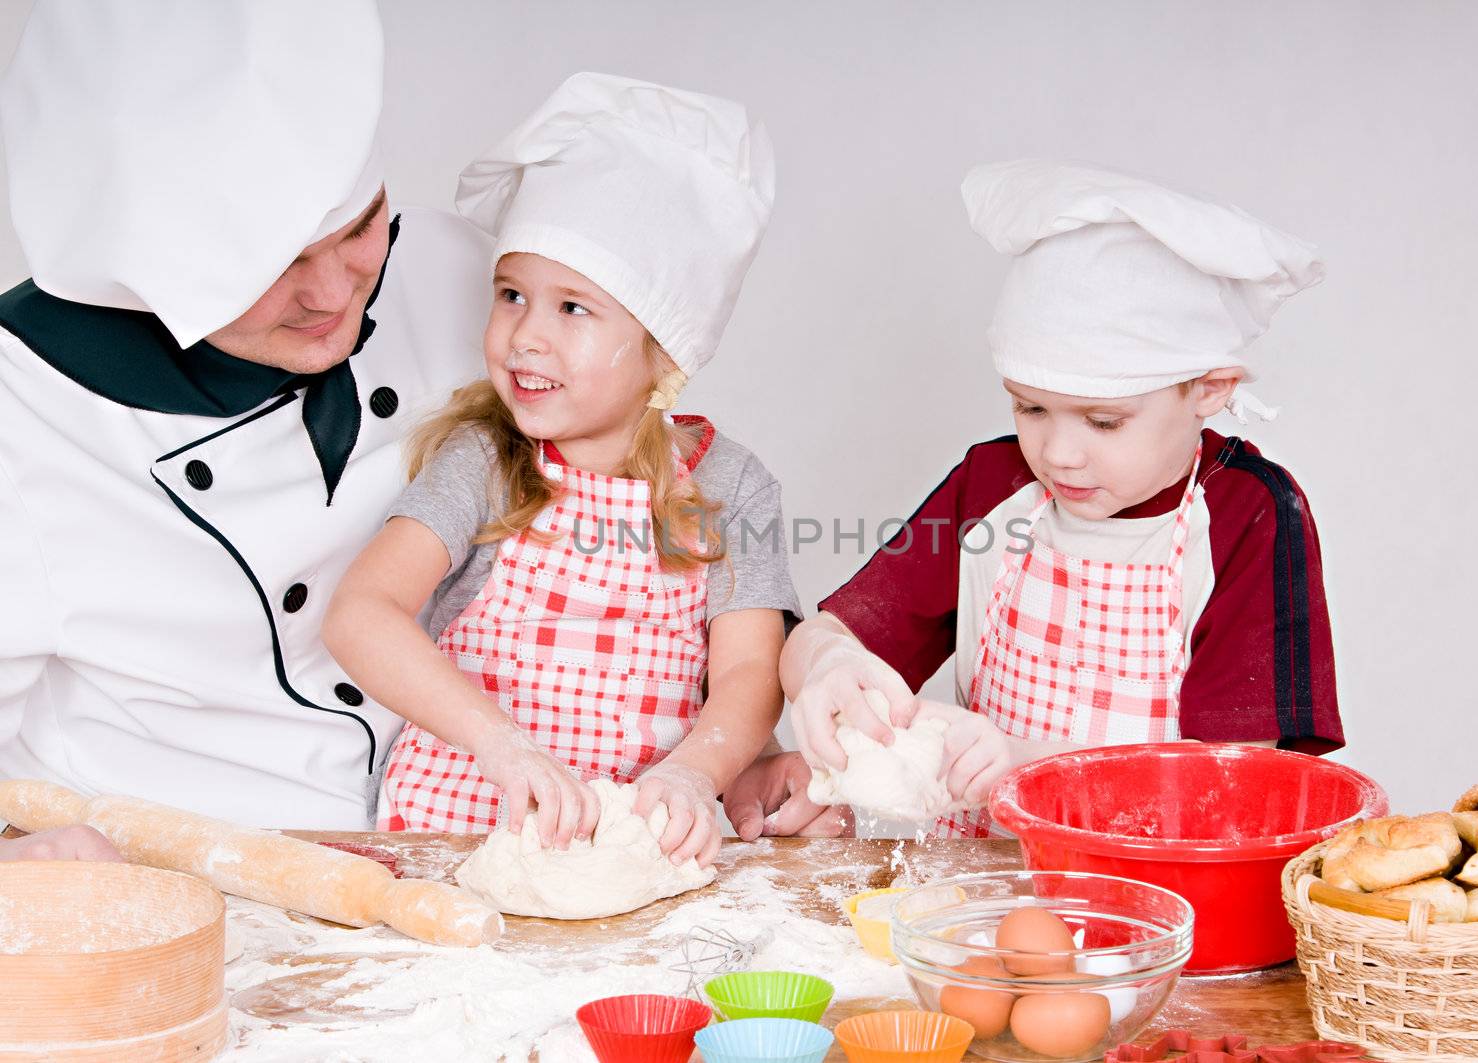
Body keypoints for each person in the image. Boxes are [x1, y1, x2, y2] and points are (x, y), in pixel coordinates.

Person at [738, 160, 1346, 836]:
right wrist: (828, 664)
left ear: (1209, 388)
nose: (1058, 452)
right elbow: (823, 632)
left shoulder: (1248, 513)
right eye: (1031, 408)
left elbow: (1233, 781)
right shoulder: (993, 487)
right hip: (986, 890)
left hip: (1162, 907)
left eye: (1103, 420)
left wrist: (1024, 766)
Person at [0, 2, 489, 828]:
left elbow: (646, 493)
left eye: (358, 228)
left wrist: (772, 666)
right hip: (201, 892)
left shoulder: (468, 280)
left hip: (480, 834)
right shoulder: (24, 410)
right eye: (276, 267)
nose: (334, 295)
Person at [324, 74, 802, 868]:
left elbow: (752, 671)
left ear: (663, 351)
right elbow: (360, 614)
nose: (525, 337)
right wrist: (502, 745)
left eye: (572, 307)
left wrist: (692, 774)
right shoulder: (484, 461)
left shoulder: (729, 485)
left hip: (640, 848)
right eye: (511, 294)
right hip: (460, 839)